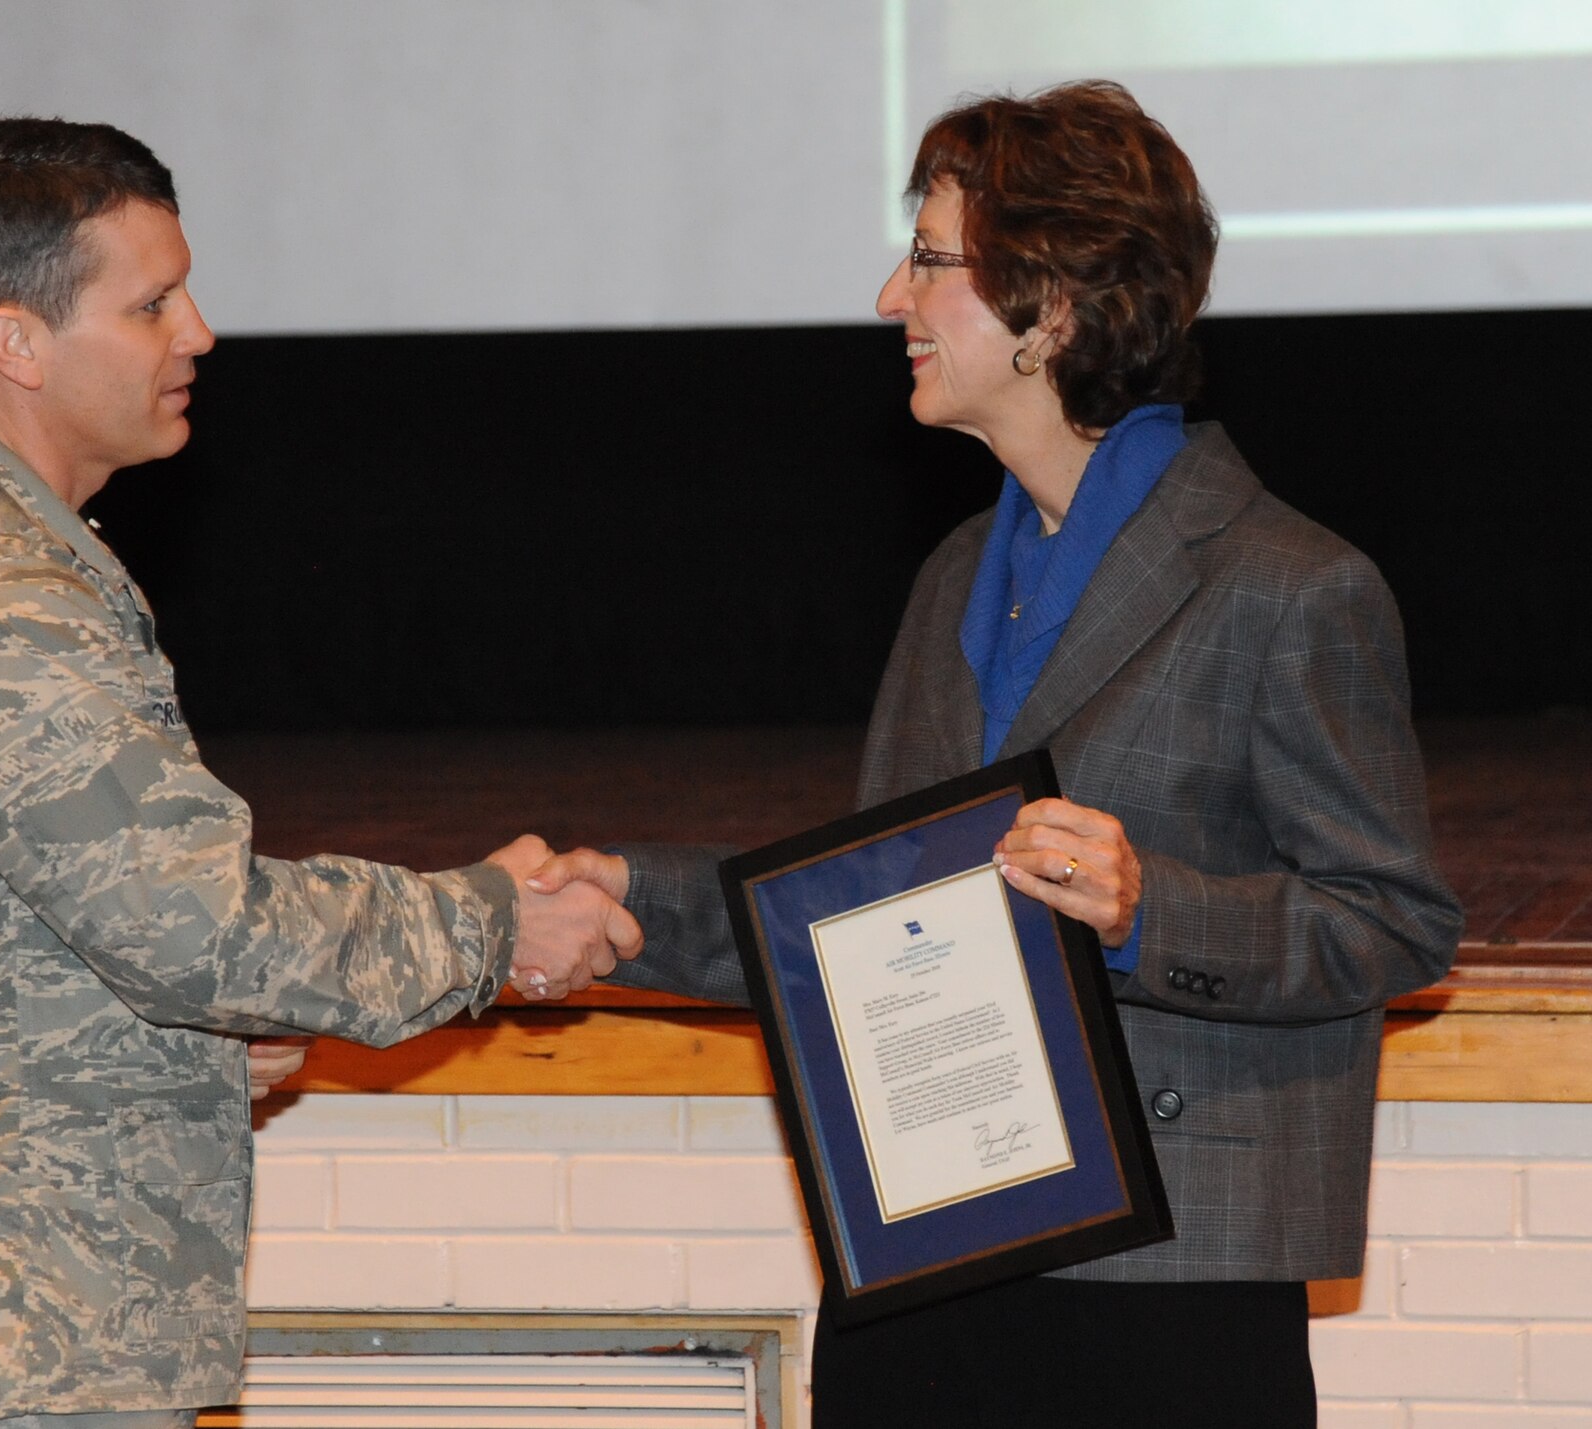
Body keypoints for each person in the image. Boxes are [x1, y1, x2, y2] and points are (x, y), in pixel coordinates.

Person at [530, 81, 1462, 1427]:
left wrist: (1153, 910)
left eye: (927, 259)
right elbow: (875, 918)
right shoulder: (957, 574)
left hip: (1170, 1288)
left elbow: (1397, 926)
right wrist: (629, 899)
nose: (886, 296)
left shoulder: (1290, 586)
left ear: (1054, 305)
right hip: (928, 1263)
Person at [0, 117, 638, 1429]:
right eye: (154, 303)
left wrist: (187, 1055)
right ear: (18, 341)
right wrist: (493, 926)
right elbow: (194, 925)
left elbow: (45, 955)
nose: (200, 333)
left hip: (15, 1316)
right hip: (5, 1337)